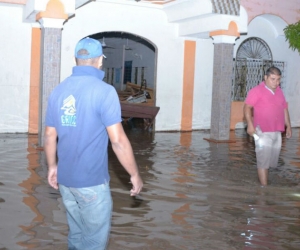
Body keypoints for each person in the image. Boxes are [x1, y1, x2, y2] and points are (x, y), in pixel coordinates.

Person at [44, 37, 143, 250]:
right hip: (91, 182)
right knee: (94, 242)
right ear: (99, 61)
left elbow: (49, 135)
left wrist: (53, 167)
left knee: (76, 233)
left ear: (75, 59)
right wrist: (134, 174)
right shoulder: (105, 91)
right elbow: (118, 141)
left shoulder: (58, 91)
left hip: (66, 181)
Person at [244, 66, 292, 186]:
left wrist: (289, 126)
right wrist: (250, 125)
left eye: (278, 79)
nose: (276, 82)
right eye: (273, 79)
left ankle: (263, 181)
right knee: (263, 160)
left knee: (271, 161)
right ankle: (264, 190)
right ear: (265, 77)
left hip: (277, 131)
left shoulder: (280, 91)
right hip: (262, 131)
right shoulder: (256, 91)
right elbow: (247, 107)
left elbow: (284, 108)